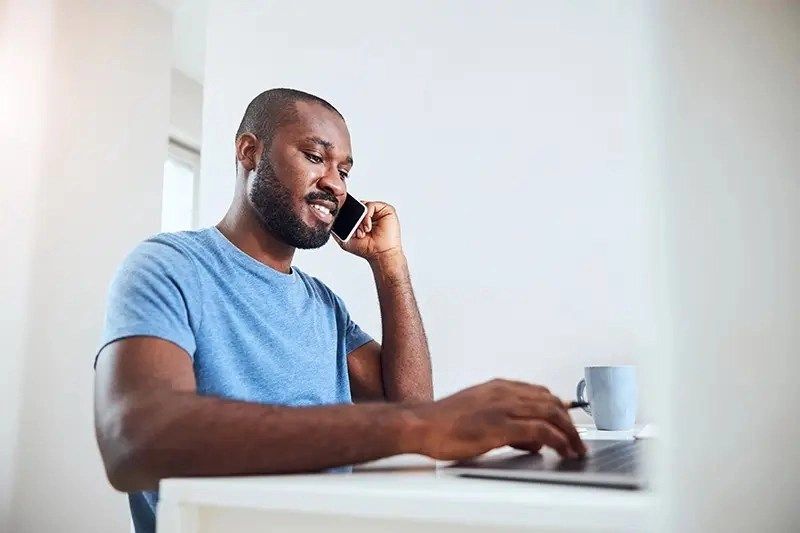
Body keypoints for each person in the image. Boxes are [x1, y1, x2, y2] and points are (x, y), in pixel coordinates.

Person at [93, 88, 586, 533]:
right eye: (315, 157)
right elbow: (135, 441)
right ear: (249, 151)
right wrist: (423, 427)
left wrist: (389, 265)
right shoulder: (168, 266)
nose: (336, 185)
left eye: (344, 171)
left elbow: (409, 403)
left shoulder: (323, 305)